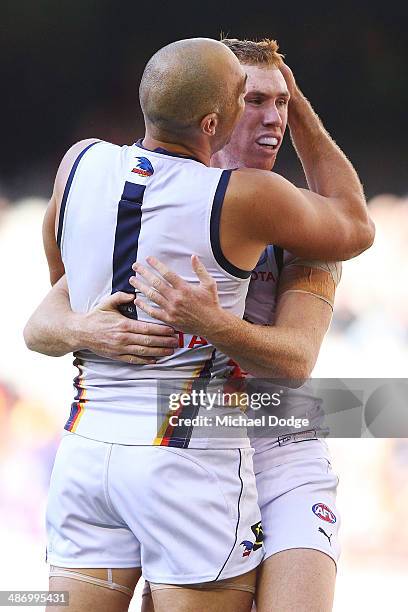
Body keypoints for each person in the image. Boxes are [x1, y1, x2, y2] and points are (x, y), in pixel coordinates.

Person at [24, 37, 374, 612]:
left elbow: (295, 362)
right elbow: (45, 319)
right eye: (254, 98)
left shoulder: (294, 215)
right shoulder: (164, 204)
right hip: (184, 445)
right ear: (216, 115)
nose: (272, 117)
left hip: (276, 438)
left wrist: (210, 322)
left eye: (284, 103)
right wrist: (89, 330)